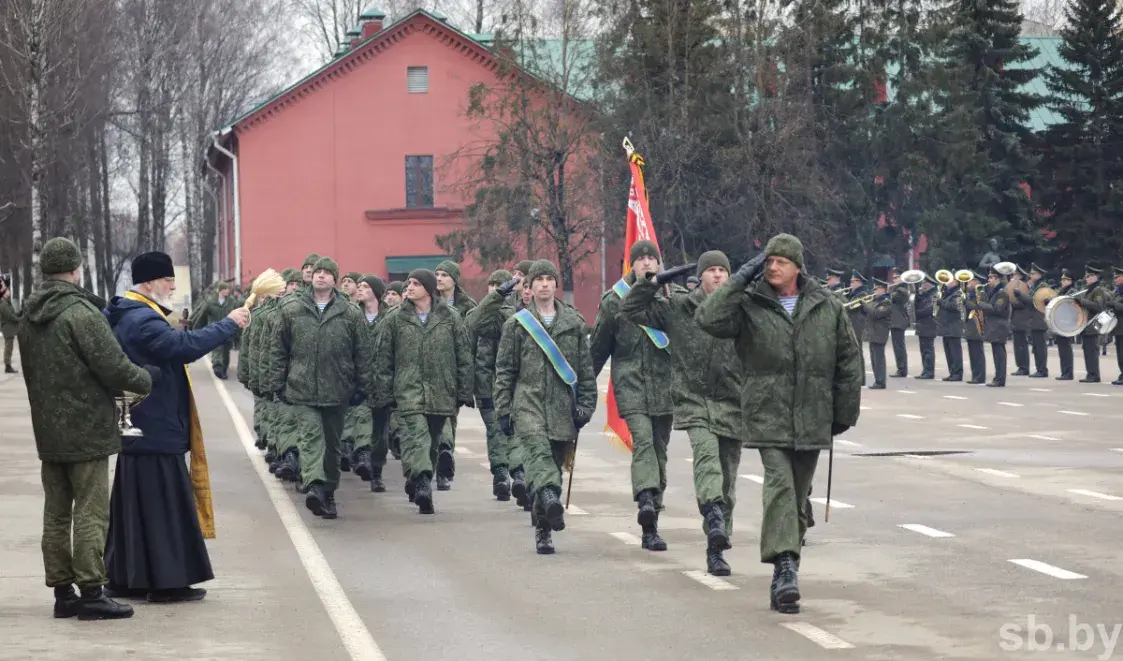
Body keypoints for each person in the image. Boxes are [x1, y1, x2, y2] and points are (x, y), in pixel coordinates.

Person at [695, 233, 862, 614]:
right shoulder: (750, 304)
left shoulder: (827, 306)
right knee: (781, 486)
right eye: (767, 261)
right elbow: (707, 318)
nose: (772, 267)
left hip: (813, 417)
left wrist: (844, 414)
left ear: (797, 267)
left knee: (799, 495)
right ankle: (785, 567)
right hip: (766, 414)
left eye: (780, 261)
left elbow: (849, 363)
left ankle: (786, 569)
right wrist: (739, 280)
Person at [19, 237, 155, 620]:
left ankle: (63, 593)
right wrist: (145, 379)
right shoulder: (81, 313)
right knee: (92, 512)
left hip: (48, 429)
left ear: (45, 270)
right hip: (88, 429)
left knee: (56, 513)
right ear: (75, 269)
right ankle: (93, 591)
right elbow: (112, 366)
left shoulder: (30, 314)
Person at [102, 251, 248, 603]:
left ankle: (124, 579)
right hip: (155, 424)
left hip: (136, 424)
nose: (172, 286)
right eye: (168, 280)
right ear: (149, 282)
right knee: (163, 509)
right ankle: (167, 583)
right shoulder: (141, 319)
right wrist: (229, 323)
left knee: (132, 512)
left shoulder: (126, 313)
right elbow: (182, 348)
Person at [621, 251, 743, 575]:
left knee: (728, 478)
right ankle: (713, 514)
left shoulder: (741, 309)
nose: (717, 275)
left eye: (722, 270)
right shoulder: (678, 308)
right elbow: (631, 309)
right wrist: (653, 282)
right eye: (711, 270)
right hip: (693, 399)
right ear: (700, 277)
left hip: (733, 403)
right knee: (707, 458)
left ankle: (717, 545)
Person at [493, 259, 597, 554]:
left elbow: (585, 371)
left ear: (555, 284)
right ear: (529, 286)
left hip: (563, 408)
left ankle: (543, 528)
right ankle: (551, 497)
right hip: (528, 405)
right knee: (538, 456)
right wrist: (504, 409)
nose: (543, 284)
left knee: (551, 466)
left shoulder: (574, 324)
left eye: (549, 279)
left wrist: (586, 407)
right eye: (537, 280)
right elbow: (505, 371)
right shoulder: (517, 325)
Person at [264, 257, 371, 517]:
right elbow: (278, 349)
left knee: (332, 445)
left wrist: (363, 387)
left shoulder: (350, 313)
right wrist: (276, 383)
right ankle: (314, 485)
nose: (320, 276)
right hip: (302, 388)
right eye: (318, 272)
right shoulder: (292, 309)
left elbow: (363, 353)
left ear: (335, 280)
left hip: (338, 389)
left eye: (327, 273)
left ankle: (328, 492)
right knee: (311, 439)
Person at [591, 239, 676, 550]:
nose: (646, 264)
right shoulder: (614, 301)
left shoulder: (671, 298)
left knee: (659, 450)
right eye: (640, 259)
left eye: (652, 259)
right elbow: (598, 349)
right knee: (643, 441)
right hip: (630, 385)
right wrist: (582, 391)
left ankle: (652, 519)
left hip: (665, 387)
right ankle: (645, 501)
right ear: (631, 265)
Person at [372, 268, 472, 514]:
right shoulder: (395, 319)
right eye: (409, 283)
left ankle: (417, 478)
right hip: (408, 391)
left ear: (428, 289)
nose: (410, 287)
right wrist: (384, 392)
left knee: (433, 443)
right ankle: (424, 482)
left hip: (441, 391)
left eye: (416, 283)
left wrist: (463, 391)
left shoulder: (450, 317)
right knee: (416, 437)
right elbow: (383, 358)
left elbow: (463, 356)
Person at [465, 270, 519, 501]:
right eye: (492, 284)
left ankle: (517, 473)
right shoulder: (480, 314)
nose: (495, 287)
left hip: (513, 387)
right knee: (495, 431)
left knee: (515, 432)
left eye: (500, 284)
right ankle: (500, 474)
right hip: (487, 386)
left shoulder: (518, 315)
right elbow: (472, 328)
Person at [191, 281, 238, 379]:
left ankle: (224, 370)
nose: (227, 291)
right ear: (220, 290)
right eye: (225, 289)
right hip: (215, 329)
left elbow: (236, 315)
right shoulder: (210, 301)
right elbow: (202, 316)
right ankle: (217, 367)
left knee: (226, 352)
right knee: (217, 349)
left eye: (228, 289)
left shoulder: (232, 301)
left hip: (228, 330)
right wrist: (196, 329)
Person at [976, 266, 1012, 387]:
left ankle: (1000, 379)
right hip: (994, 326)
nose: (988, 279)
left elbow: (998, 309)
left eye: (991, 277)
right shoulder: (995, 291)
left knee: (999, 355)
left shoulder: (1002, 293)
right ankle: (998, 378)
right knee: (997, 354)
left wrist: (982, 305)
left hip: (999, 326)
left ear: (997, 278)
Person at [1075, 265, 1111, 383]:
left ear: (1096, 277)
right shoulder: (1089, 290)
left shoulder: (1098, 290)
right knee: (1087, 350)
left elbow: (1098, 307)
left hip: (1093, 324)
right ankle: (1090, 373)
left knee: (1092, 350)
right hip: (1086, 324)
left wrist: (1082, 302)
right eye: (1086, 276)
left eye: (1089, 276)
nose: (1086, 278)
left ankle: (1094, 375)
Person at [863, 279, 892, 389]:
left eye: (876, 289)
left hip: (880, 333)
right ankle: (877, 380)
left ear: (883, 289)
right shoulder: (875, 301)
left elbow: (876, 313)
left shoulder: (886, 301)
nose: (874, 291)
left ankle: (880, 381)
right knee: (874, 358)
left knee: (879, 359)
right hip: (873, 333)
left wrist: (865, 305)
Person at [936, 274, 965, 382]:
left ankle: (957, 373)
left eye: (950, 280)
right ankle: (952, 372)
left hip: (954, 327)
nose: (947, 282)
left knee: (955, 352)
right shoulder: (947, 293)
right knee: (949, 352)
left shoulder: (958, 294)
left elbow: (955, 307)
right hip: (947, 327)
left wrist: (941, 302)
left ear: (955, 282)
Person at [963, 272, 988, 384]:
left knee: (978, 353)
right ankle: (975, 375)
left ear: (976, 282)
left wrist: (966, 302)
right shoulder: (969, 294)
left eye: (970, 281)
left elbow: (978, 308)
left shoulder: (981, 294)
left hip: (978, 326)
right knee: (972, 354)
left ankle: (980, 376)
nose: (968, 283)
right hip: (970, 326)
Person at [912, 276, 938, 379]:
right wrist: (917, 294)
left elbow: (928, 310)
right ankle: (925, 370)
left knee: (928, 350)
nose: (922, 286)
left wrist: (917, 313)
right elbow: (916, 305)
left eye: (923, 283)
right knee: (923, 350)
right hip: (922, 325)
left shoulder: (934, 295)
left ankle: (929, 371)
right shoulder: (924, 295)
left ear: (929, 284)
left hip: (929, 325)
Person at [1053, 270, 1075, 381]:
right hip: (1060, 322)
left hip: (1067, 322)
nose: (1062, 281)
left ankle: (1068, 372)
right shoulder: (1062, 291)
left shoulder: (1072, 291)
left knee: (1066, 348)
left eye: (1065, 279)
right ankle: (1064, 372)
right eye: (1062, 279)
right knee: (1062, 348)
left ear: (1070, 281)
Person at [888, 270, 910, 377]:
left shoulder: (901, 290)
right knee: (898, 347)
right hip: (896, 321)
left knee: (899, 347)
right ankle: (901, 368)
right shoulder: (899, 289)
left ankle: (902, 369)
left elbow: (891, 298)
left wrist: (887, 290)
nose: (894, 280)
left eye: (897, 277)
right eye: (894, 278)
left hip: (899, 321)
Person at [1, 279, 21, 373]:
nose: (9, 292)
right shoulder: (3, 304)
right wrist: (20, 319)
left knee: (9, 347)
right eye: (8, 291)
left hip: (9, 328)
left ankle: (8, 365)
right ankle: (7, 366)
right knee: (8, 347)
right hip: (7, 328)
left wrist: (19, 314)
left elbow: (12, 314)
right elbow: (9, 316)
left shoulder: (5, 302)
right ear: (4, 293)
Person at [1110, 266, 1123, 385]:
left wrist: (1114, 305)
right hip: (1118, 328)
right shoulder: (1117, 291)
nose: (1115, 279)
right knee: (1120, 354)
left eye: (1118, 277)